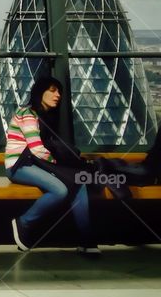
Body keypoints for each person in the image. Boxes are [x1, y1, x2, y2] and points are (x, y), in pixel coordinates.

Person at [6, 76, 99, 256]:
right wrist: (62, 165)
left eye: (59, 91)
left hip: (37, 164)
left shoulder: (46, 116)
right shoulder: (28, 114)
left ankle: (87, 239)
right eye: (52, 90)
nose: (57, 95)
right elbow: (36, 150)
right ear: (40, 93)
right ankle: (24, 222)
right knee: (60, 190)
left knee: (78, 182)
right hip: (19, 165)